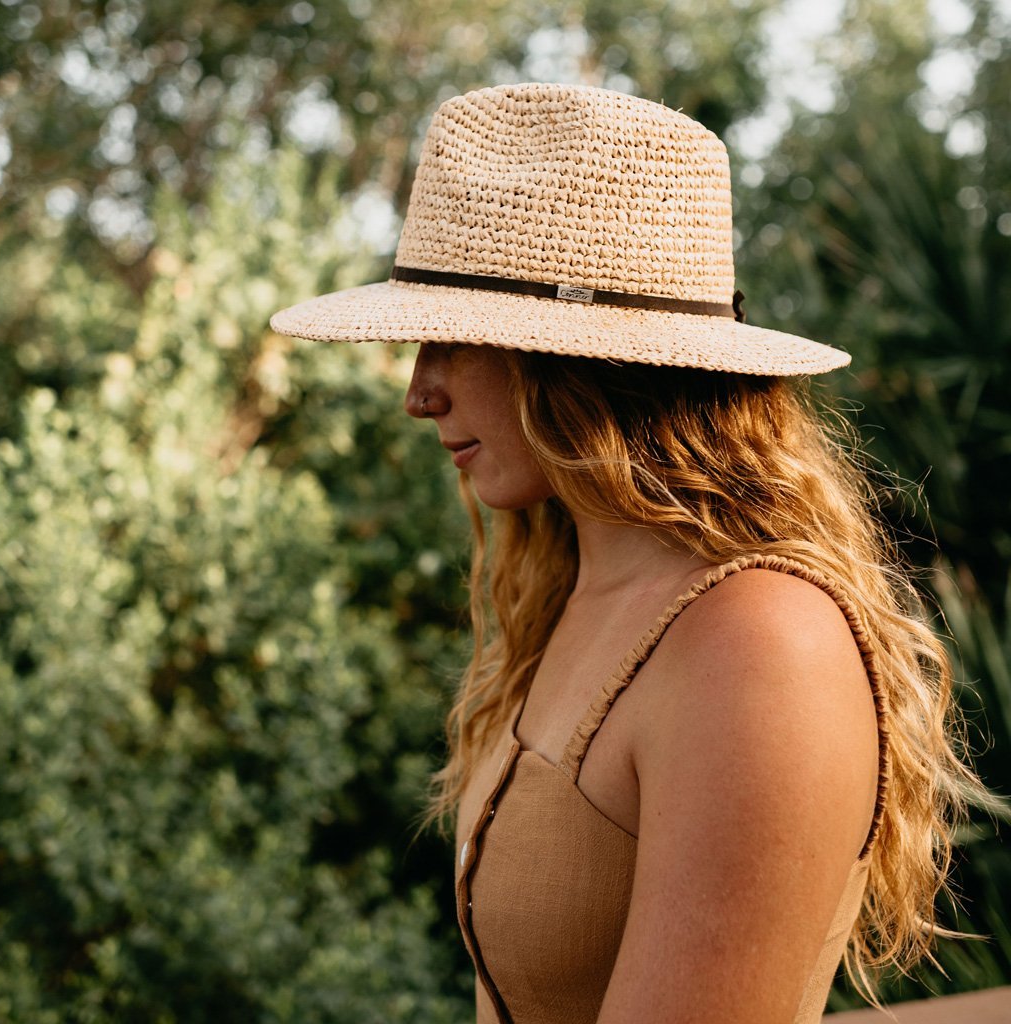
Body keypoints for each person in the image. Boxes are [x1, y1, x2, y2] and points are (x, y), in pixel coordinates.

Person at [271, 83, 984, 1024]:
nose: (420, 393)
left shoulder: (757, 645)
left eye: (451, 339)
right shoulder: (573, 588)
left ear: (578, 362)